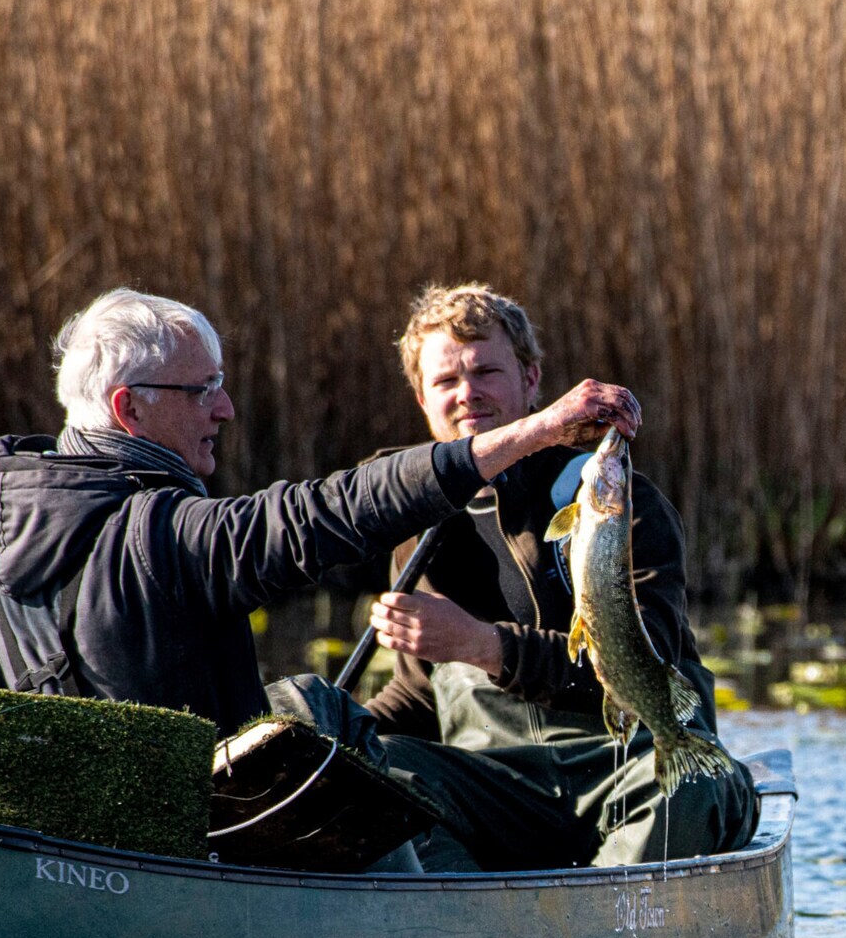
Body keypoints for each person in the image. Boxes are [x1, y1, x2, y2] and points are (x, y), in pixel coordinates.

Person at [0, 287, 640, 769]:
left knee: (311, 710)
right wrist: (537, 430)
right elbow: (330, 514)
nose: (225, 408)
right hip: (186, 867)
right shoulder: (166, 535)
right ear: (129, 410)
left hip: (67, 859)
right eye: (203, 389)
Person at [280, 284, 757, 871]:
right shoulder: (415, 524)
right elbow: (418, 697)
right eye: (446, 381)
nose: (467, 394)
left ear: (532, 381)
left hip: (626, 762)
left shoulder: (609, 498)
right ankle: (472, 925)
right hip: (496, 793)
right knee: (371, 776)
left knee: (693, 789)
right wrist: (333, 743)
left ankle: (601, 927)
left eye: (487, 371)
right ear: (421, 399)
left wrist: (482, 645)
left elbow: (648, 657)